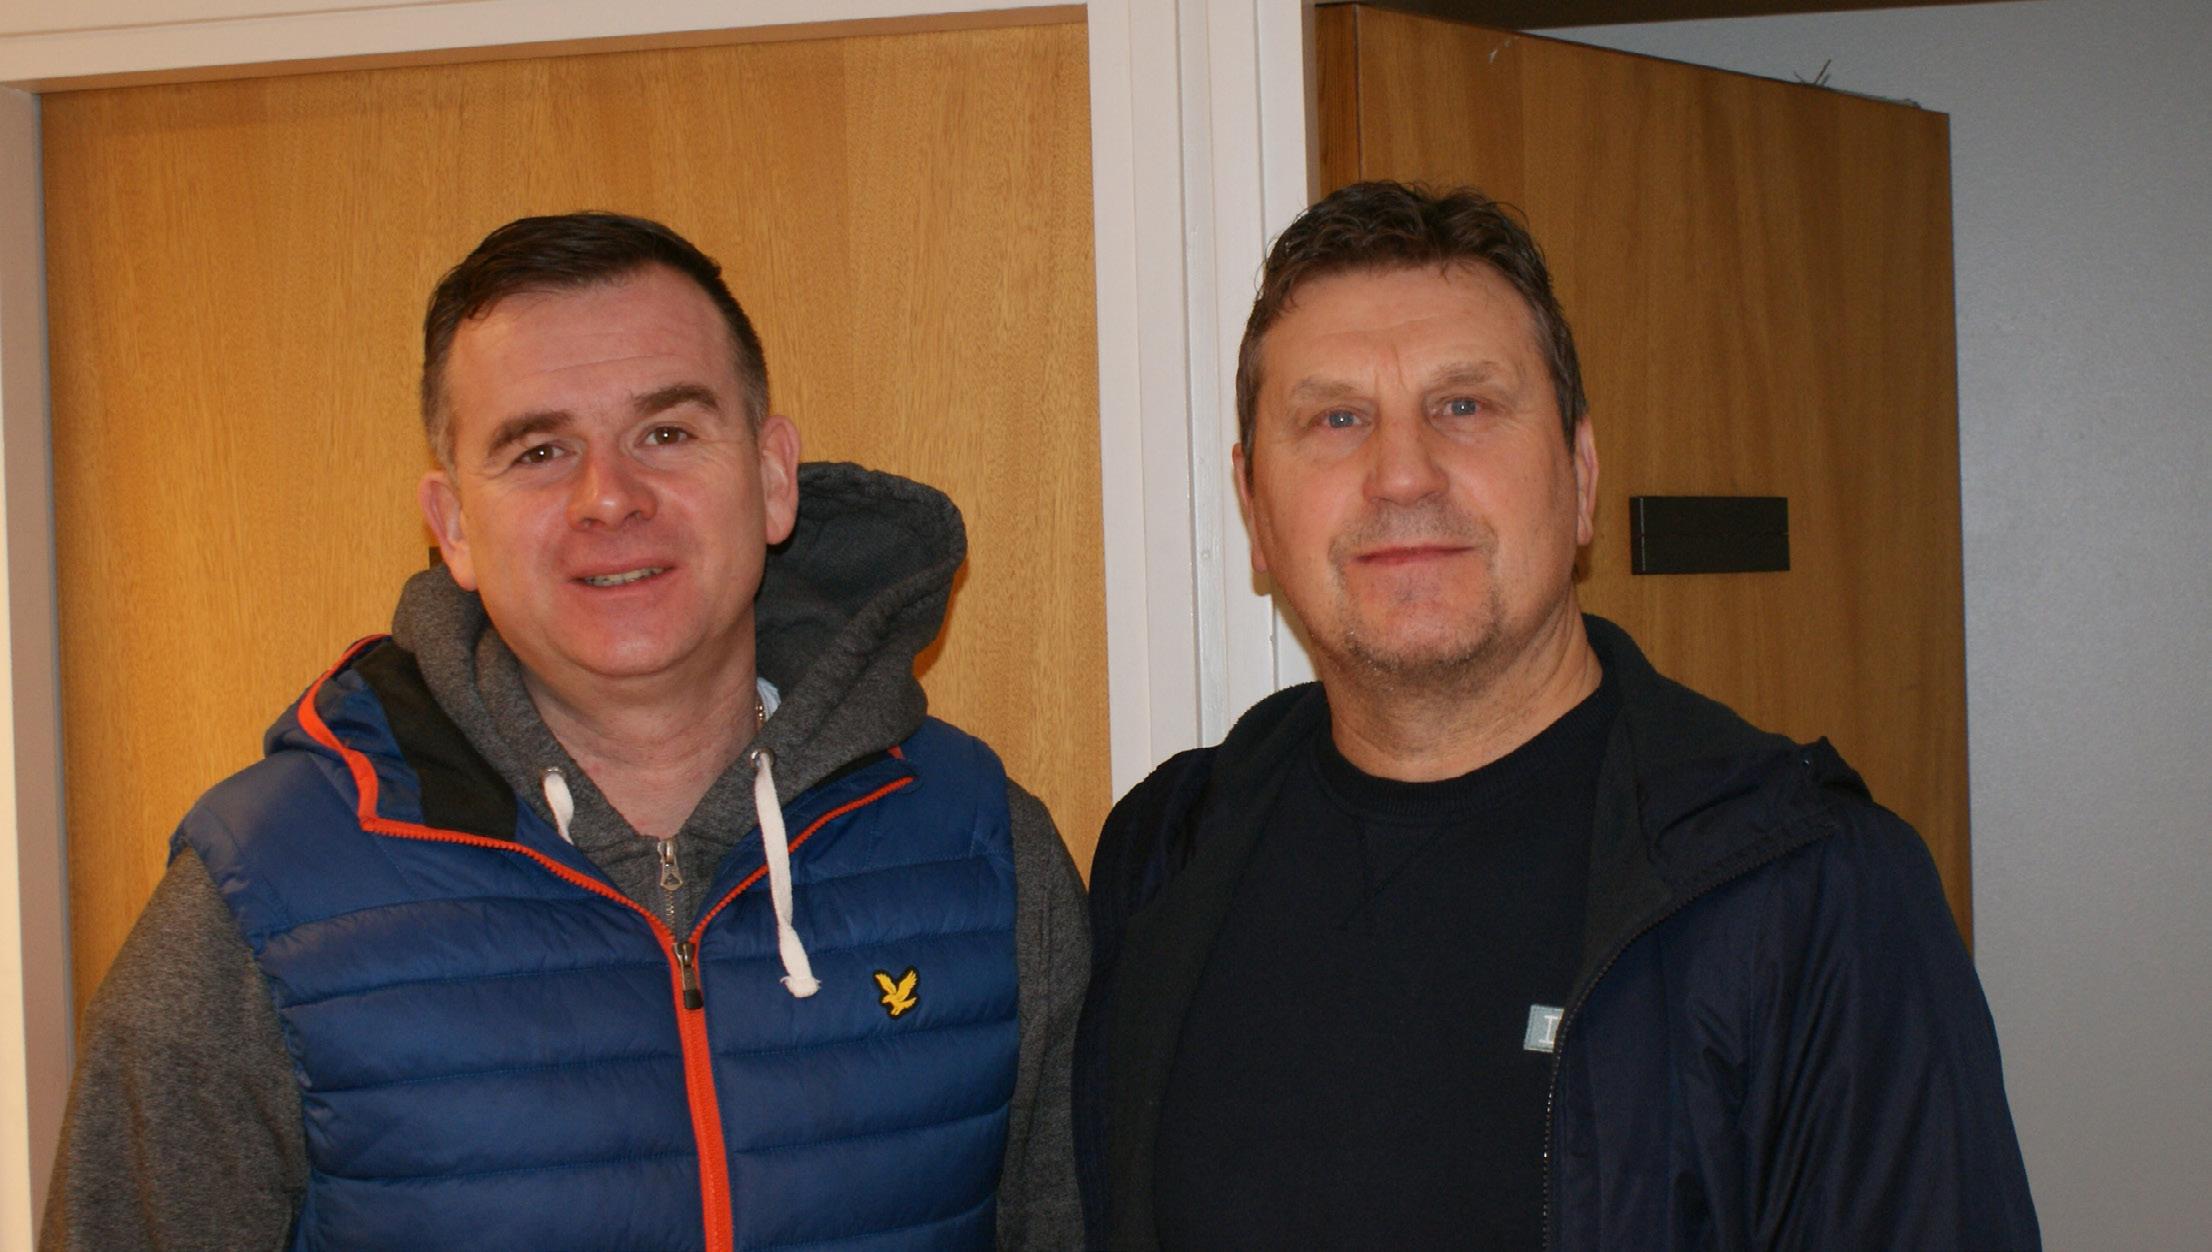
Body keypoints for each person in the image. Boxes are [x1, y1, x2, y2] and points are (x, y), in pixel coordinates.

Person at [43, 212, 1087, 1251]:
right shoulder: (265, 894)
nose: (609, 498)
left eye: (666, 433)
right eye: (540, 450)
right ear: (454, 527)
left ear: (772, 477)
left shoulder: (981, 850)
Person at [1074, 181, 2038, 1250]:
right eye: (1336, 418)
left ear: (1580, 478)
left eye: (1464, 406)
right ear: (1255, 509)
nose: (1403, 473)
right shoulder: (1164, 854)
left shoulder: (1810, 895)